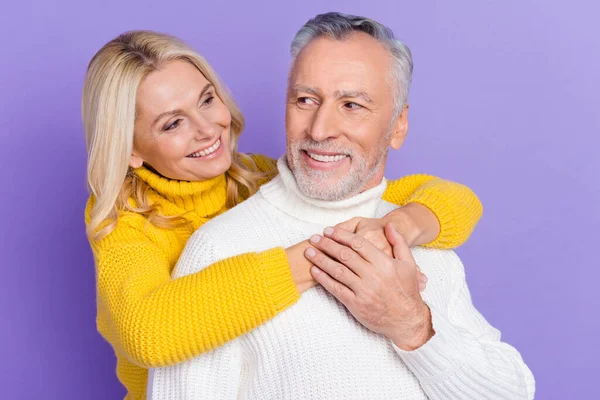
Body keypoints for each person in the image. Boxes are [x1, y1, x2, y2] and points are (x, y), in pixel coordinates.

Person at [148, 12, 535, 399]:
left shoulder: (426, 242)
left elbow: (514, 392)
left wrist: (412, 326)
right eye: (305, 100)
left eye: (351, 105)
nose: (319, 130)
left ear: (398, 126)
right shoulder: (219, 249)